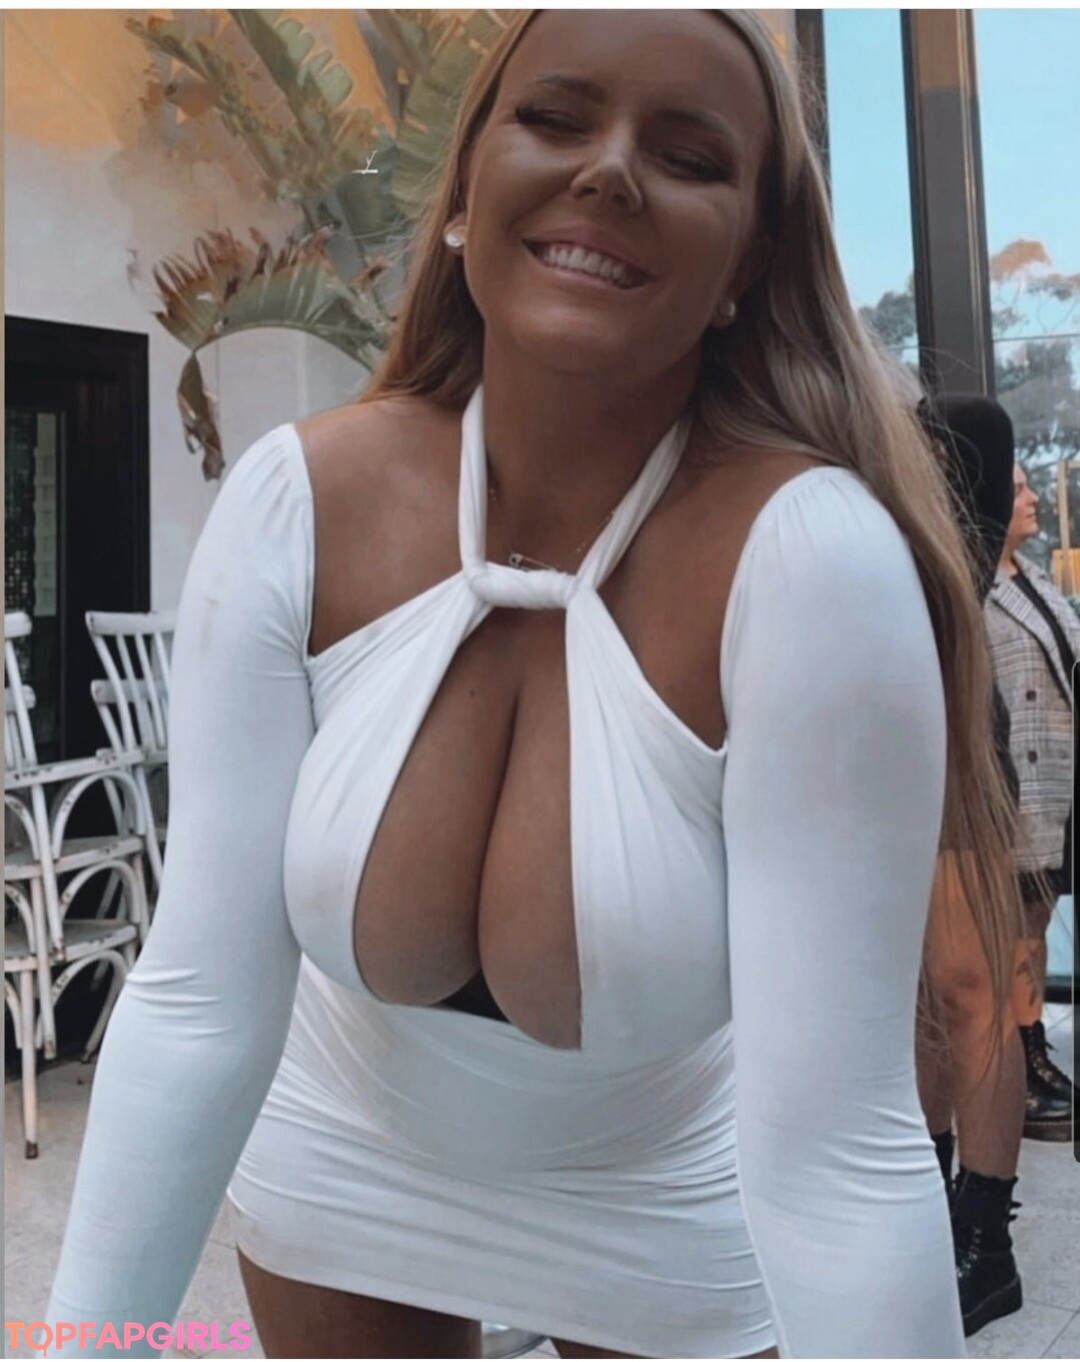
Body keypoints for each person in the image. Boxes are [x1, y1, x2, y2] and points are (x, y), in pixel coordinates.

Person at [46, 11, 1018, 1358]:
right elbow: (198, 1000)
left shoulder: (812, 565)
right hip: (342, 1155)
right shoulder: (300, 503)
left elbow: (839, 1152)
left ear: (747, 263)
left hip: (666, 1200)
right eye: (556, 119)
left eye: (689, 156)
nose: (608, 170)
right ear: (463, 195)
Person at [915, 393, 1030, 1338]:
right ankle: (929, 1218)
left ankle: (986, 1245)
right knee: (924, 1004)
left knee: (974, 994)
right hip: (885, 737)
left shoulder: (958, 431)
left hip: (953, 733)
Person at [985, 458, 1078, 1139]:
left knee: (1036, 924)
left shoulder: (1035, 577)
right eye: (1017, 489)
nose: (1033, 498)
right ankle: (1021, 1064)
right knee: (1017, 928)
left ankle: (1034, 1053)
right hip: (1018, 787)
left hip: (1058, 782)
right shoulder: (975, 588)